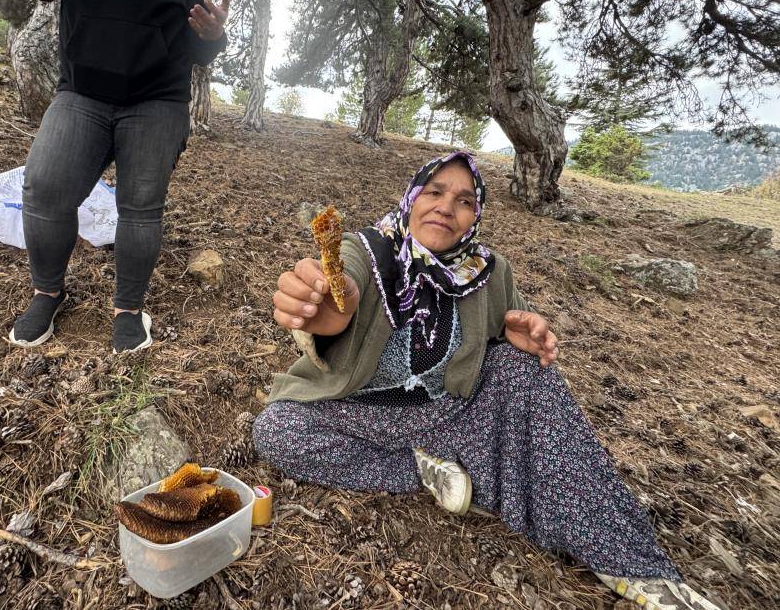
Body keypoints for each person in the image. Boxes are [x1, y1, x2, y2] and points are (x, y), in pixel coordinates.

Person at [254, 152, 721, 610]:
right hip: (358, 413)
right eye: (434, 192)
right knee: (277, 430)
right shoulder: (368, 250)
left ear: (475, 215)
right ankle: (427, 470)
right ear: (411, 198)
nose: (446, 207)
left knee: (523, 370)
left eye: (464, 201)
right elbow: (342, 285)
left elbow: (516, 324)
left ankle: (627, 558)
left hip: (451, 417)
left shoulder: (489, 272)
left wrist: (524, 334)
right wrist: (328, 306)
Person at [7, 0, 229, 352]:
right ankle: (47, 293)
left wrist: (214, 36)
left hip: (157, 101)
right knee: (45, 188)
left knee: (140, 208)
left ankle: (128, 308)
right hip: (82, 94)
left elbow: (199, 45)